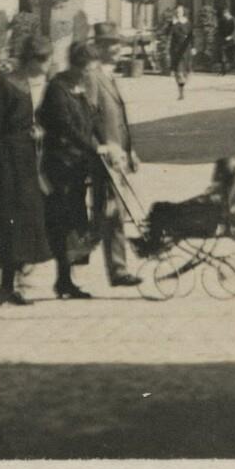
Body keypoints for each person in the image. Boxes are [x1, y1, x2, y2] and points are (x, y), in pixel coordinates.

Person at [0, 32, 54, 304]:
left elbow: (21, 122)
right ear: (34, 60)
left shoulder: (24, 84)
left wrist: (35, 131)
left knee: (23, 224)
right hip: (4, 163)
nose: (48, 66)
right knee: (10, 224)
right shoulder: (2, 87)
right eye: (46, 61)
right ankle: (6, 287)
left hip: (24, 161)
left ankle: (7, 285)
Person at [39, 44, 107, 300]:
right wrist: (93, 147)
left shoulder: (81, 89)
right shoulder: (58, 89)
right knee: (57, 224)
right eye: (89, 69)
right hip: (59, 165)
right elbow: (66, 127)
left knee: (71, 223)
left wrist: (104, 142)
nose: (92, 74)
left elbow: (94, 119)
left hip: (76, 166)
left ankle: (65, 279)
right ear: (77, 66)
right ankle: (60, 280)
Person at [79, 28, 142, 288]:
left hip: (119, 157)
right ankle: (118, 270)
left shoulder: (109, 76)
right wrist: (101, 147)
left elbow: (120, 120)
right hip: (105, 158)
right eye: (114, 47)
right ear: (101, 48)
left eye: (119, 46)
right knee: (112, 213)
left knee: (105, 215)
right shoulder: (92, 78)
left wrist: (131, 150)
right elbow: (87, 119)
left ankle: (75, 252)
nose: (119, 51)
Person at [161, 5, 193, 98]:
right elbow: (166, 33)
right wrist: (173, 24)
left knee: (187, 72)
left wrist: (193, 47)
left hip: (185, 48)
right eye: (177, 11)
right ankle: (181, 93)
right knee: (178, 71)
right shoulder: (173, 22)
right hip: (175, 49)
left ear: (183, 12)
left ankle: (183, 86)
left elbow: (191, 35)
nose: (178, 13)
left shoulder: (187, 22)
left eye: (180, 11)